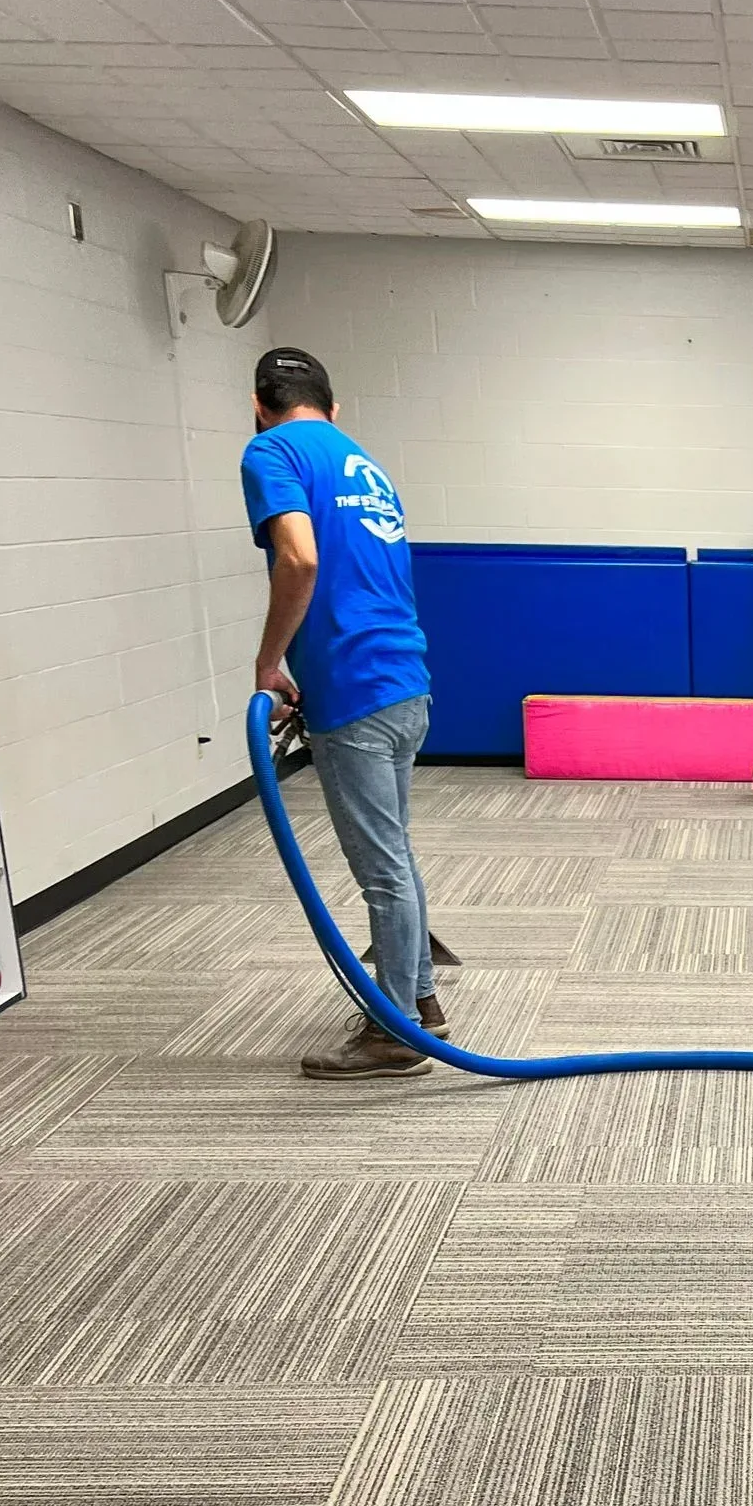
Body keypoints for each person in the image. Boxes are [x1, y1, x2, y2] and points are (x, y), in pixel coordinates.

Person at [241, 345, 447, 1079]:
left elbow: (298, 559)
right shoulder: (362, 460)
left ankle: (393, 1031)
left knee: (381, 867)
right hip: (404, 677)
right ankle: (418, 997)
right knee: (395, 850)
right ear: (335, 406)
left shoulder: (271, 451)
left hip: (356, 689)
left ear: (260, 404)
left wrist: (271, 662)